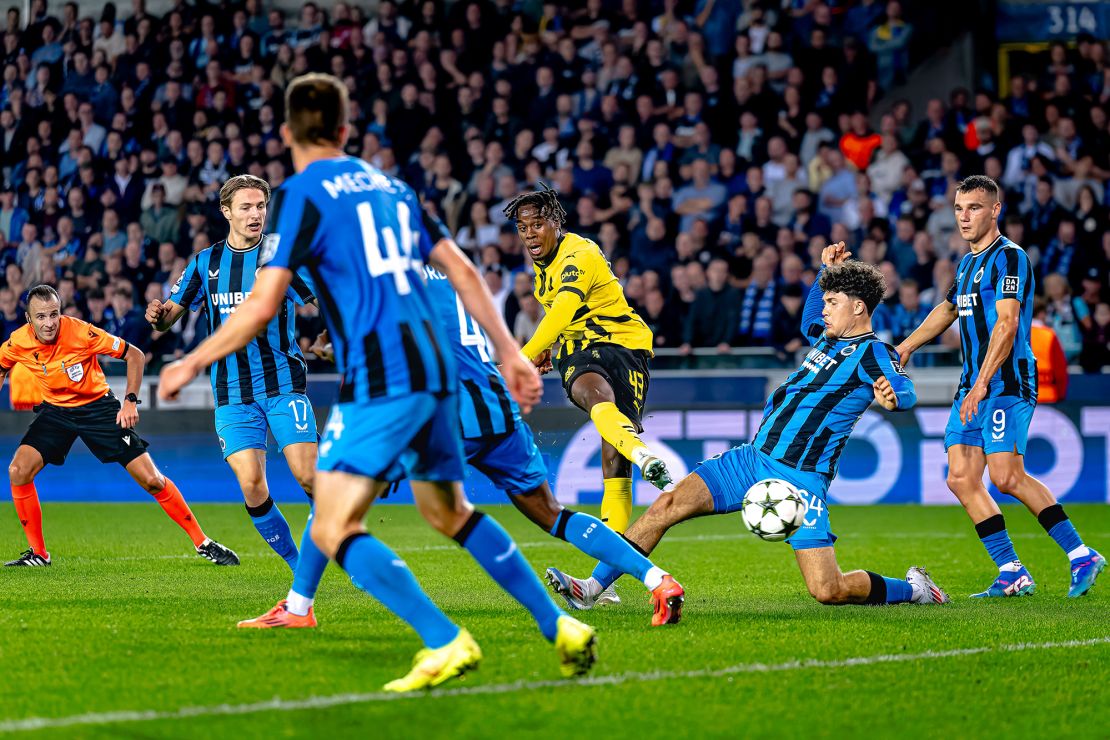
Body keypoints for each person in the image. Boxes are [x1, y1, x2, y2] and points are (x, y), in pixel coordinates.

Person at [157, 73, 596, 691]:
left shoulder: (300, 196)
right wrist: (511, 355)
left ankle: (444, 640)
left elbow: (259, 304)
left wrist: (191, 361)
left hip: (382, 379)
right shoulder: (394, 188)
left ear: (287, 134)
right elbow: (464, 271)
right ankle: (559, 627)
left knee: (335, 525)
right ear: (344, 129)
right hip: (439, 374)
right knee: (450, 512)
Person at [241, 224, 684, 629]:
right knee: (550, 514)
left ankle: (299, 607)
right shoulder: (444, 277)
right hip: (494, 405)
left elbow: (395, 348)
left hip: (441, 411)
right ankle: (658, 580)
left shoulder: (379, 282)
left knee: (337, 496)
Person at [546, 245, 951, 610]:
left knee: (829, 590)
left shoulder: (874, 352)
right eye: (826, 301)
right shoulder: (828, 339)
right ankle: (592, 588)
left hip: (799, 480)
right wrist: (823, 274)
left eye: (833, 302)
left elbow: (904, 389)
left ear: (859, 308)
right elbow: (810, 317)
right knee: (665, 506)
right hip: (751, 459)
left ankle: (913, 590)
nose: (824, 309)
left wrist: (894, 396)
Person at [896, 175, 1103, 598]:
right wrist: (905, 347)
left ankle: (1081, 553)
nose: (964, 216)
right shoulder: (967, 263)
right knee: (960, 477)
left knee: (1007, 476)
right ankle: (1012, 570)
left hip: (1004, 383)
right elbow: (948, 308)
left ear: (995, 210)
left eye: (974, 207)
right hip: (972, 384)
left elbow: (1007, 325)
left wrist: (983, 383)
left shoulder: (1010, 258)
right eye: (958, 208)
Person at [146, 175, 319, 572]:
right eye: (246, 207)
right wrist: (156, 316)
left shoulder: (282, 258)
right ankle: (299, 568)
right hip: (232, 393)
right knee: (252, 485)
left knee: (309, 477)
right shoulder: (205, 263)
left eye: (260, 206)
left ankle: (350, 549)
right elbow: (167, 318)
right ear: (226, 212)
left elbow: (321, 302)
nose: (255, 214)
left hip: (282, 385)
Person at [505, 183, 672, 594]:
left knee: (614, 465)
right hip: (582, 351)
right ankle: (643, 453)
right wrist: (548, 350)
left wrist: (524, 356)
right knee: (592, 396)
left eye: (537, 224)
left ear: (557, 223)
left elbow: (563, 309)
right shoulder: (541, 269)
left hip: (626, 347)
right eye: (522, 227)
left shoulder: (579, 253)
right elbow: (567, 319)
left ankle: (604, 578)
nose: (529, 233)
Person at [1, 284, 238, 566]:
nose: (49, 323)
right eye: (41, 317)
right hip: (56, 411)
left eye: (54, 314)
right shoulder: (17, 342)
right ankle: (39, 554)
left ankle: (203, 542)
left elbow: (134, 355)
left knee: (152, 479)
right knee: (18, 470)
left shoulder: (81, 332)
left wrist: (130, 401)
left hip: (98, 407)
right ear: (29, 319)